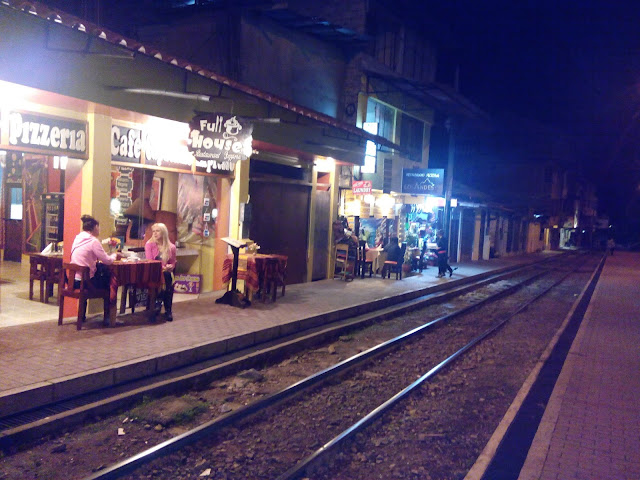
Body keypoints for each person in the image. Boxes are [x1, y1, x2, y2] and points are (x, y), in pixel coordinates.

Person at [70, 215, 121, 316]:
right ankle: (108, 317)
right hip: (86, 283)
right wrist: (115, 255)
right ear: (94, 228)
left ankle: (82, 316)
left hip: (73, 281)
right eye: (99, 227)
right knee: (109, 283)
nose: (99, 230)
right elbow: (107, 260)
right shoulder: (93, 241)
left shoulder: (77, 238)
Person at [145, 222, 177, 321]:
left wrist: (170, 266)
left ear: (163, 232)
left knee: (168, 277)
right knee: (166, 276)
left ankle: (164, 307)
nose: (155, 233)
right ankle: (160, 305)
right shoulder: (149, 244)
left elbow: (173, 262)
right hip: (153, 272)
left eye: (157, 231)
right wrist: (164, 267)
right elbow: (150, 260)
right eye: (153, 231)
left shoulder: (171, 247)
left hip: (166, 272)